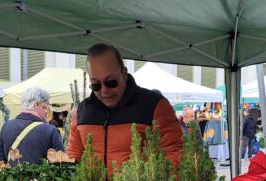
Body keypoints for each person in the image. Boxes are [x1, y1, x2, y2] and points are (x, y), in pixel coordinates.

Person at [67, 43, 182, 173]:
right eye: (96, 85)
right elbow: (74, 157)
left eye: (111, 82)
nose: (104, 91)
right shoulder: (82, 111)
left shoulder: (154, 105)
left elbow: (175, 154)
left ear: (124, 73)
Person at [0, 87, 64, 165]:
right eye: (47, 105)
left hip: (11, 177)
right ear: (37, 104)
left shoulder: (6, 127)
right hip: (41, 177)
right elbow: (61, 165)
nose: (48, 109)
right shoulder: (50, 130)